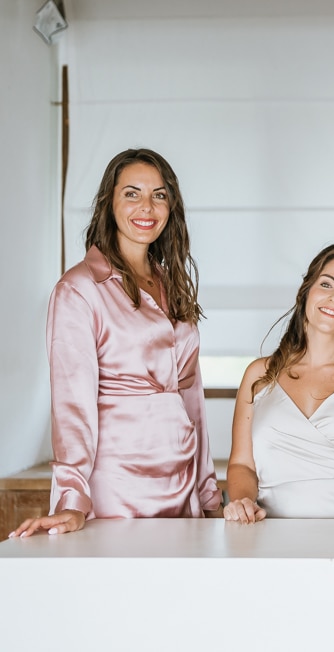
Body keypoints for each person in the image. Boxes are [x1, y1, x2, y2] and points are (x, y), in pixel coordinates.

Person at [10, 148, 220, 538]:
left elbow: (191, 398)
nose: (147, 207)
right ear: (109, 202)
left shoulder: (172, 286)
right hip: (118, 481)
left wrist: (209, 495)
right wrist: (71, 501)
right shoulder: (79, 289)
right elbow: (72, 406)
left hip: (182, 478)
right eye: (132, 193)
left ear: (171, 206)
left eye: (159, 195)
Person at [223, 243, 334, 522]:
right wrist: (243, 503)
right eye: (326, 284)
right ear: (306, 291)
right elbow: (241, 464)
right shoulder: (259, 374)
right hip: (270, 532)